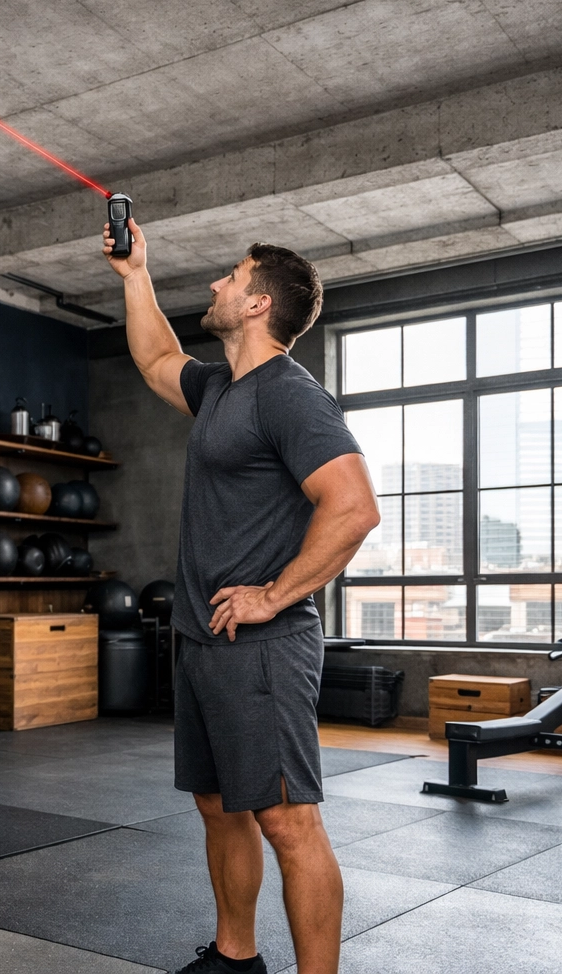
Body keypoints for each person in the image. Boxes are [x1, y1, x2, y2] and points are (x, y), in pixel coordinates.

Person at [102, 218, 381, 974]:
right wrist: (136, 277)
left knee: (289, 822)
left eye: (232, 275)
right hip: (203, 639)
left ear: (259, 304)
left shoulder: (290, 397)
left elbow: (354, 506)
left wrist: (273, 596)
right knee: (218, 805)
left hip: (261, 647)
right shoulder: (224, 387)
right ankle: (235, 957)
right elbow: (159, 357)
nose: (219, 283)